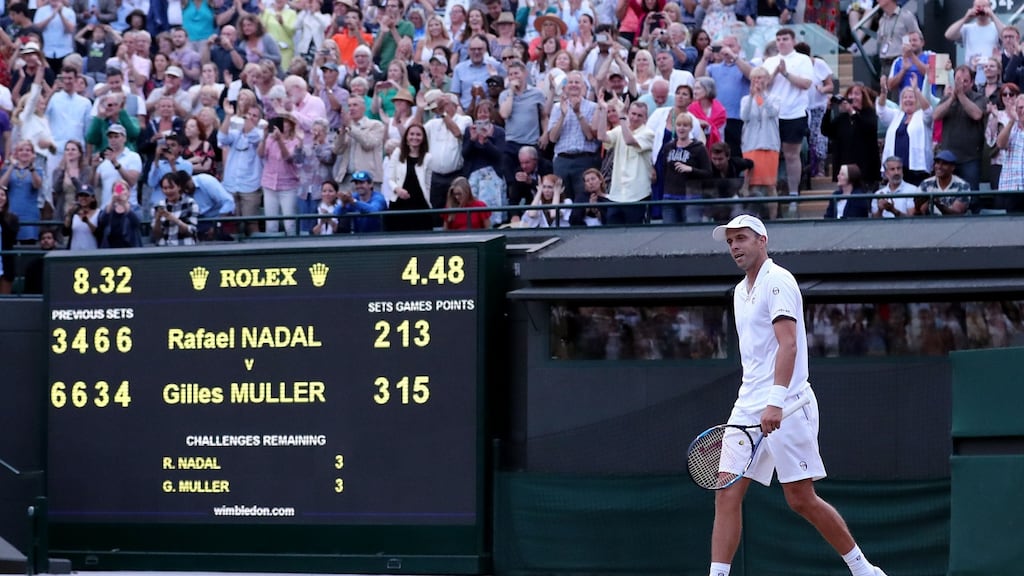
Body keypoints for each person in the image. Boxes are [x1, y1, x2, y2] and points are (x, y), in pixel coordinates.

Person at [708, 213, 888, 576]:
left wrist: (775, 401)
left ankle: (863, 570)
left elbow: (788, 345)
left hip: (787, 403)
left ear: (762, 240)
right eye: (730, 242)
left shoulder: (779, 281)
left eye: (741, 239)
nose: (734, 247)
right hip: (747, 405)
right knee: (726, 492)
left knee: (800, 499)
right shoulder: (741, 292)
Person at [761, 29, 813, 211]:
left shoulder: (802, 60)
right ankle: (771, 194)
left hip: (794, 113)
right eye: (778, 39)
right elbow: (762, 84)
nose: (781, 42)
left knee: (792, 155)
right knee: (770, 155)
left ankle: (793, 195)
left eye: (785, 39)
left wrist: (786, 74)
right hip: (772, 114)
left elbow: (806, 83)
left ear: (793, 41)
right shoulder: (770, 61)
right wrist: (775, 72)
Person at [596, 100, 655, 224]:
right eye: (633, 114)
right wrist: (603, 111)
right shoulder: (619, 130)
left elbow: (629, 140)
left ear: (645, 118)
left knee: (636, 236)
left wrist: (622, 117)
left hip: (638, 195)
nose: (635, 118)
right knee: (613, 234)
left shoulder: (648, 133)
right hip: (617, 194)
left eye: (640, 115)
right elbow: (602, 137)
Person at [933, 65, 987, 194]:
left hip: (970, 158)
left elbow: (977, 114)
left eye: (965, 81)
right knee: (946, 195)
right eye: (958, 80)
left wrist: (961, 95)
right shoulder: (947, 99)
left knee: (972, 196)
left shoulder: (979, 98)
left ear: (972, 82)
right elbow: (936, 115)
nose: (961, 84)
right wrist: (952, 97)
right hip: (947, 158)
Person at [821, 84, 880, 191]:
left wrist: (852, 112)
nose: (853, 97)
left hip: (865, 169)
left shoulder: (869, 114)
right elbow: (826, 130)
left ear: (863, 97)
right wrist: (828, 109)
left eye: (857, 94)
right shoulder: (842, 118)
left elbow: (867, 128)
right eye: (850, 94)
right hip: (845, 168)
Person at [740, 66, 780, 220]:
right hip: (751, 144)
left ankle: (773, 217)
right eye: (755, 78)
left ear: (767, 80)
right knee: (752, 184)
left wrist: (762, 95)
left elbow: (772, 112)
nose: (758, 81)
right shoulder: (745, 99)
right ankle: (753, 217)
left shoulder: (774, 98)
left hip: (769, 143)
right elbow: (744, 116)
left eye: (761, 78)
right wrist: (751, 97)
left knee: (770, 184)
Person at [656, 111, 709, 223]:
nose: (681, 128)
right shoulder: (668, 147)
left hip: (691, 197)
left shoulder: (698, 148)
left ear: (690, 128)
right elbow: (664, 170)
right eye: (679, 125)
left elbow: (708, 172)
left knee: (691, 232)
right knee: (668, 232)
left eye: (685, 125)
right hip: (669, 197)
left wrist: (691, 169)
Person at [877, 81, 933, 186]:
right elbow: (881, 110)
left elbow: (928, 111)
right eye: (905, 97)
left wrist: (916, 90)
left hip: (916, 169)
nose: (908, 99)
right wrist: (884, 93)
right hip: (896, 169)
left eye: (911, 97)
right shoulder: (896, 115)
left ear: (917, 100)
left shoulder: (922, 116)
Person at [385, 123, 434, 231]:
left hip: (420, 204)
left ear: (423, 138)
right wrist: (397, 189)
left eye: (418, 135)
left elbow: (427, 184)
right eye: (412, 134)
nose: (415, 137)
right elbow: (390, 178)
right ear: (406, 137)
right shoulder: (398, 153)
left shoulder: (427, 158)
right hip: (399, 203)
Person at [0, 140, 44, 244]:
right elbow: (1, 185)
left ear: (32, 153)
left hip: (29, 214)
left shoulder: (37, 170)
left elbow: (37, 185)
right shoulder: (7, 170)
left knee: (28, 244)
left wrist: (31, 167)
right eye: (21, 150)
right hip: (11, 213)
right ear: (16, 153)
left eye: (28, 150)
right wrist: (12, 165)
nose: (24, 152)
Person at [918, 150, 972, 215]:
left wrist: (938, 204)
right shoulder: (926, 184)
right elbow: (920, 210)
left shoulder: (963, 186)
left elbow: (957, 213)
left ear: (952, 167)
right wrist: (927, 202)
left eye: (944, 164)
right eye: (937, 163)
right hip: (929, 222)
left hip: (954, 223)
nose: (939, 167)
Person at [151, 171, 198, 245]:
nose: (168, 191)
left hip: (185, 247)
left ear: (179, 187)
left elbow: (192, 231)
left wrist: (175, 220)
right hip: (164, 248)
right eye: (165, 188)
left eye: (171, 187)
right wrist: (157, 219)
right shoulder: (158, 205)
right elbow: (156, 235)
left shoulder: (190, 203)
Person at [995, 93, 1024, 212]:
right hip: (1011, 187)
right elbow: (1000, 144)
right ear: (1016, 110)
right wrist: (1012, 121)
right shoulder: (1011, 128)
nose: (1023, 111)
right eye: (1021, 108)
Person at [62, 183, 100, 250]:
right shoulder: (74, 214)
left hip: (92, 252)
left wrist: (87, 222)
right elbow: (65, 232)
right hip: (75, 253)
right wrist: (69, 215)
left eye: (86, 195)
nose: (83, 198)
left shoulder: (99, 213)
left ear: (93, 198)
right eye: (81, 195)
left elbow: (99, 234)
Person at [0, 187, 20, 294]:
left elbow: (11, 238)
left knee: (3, 302)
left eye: (2, 195)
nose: (0, 198)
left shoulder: (12, 218)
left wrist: (1, 215)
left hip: (5, 264)